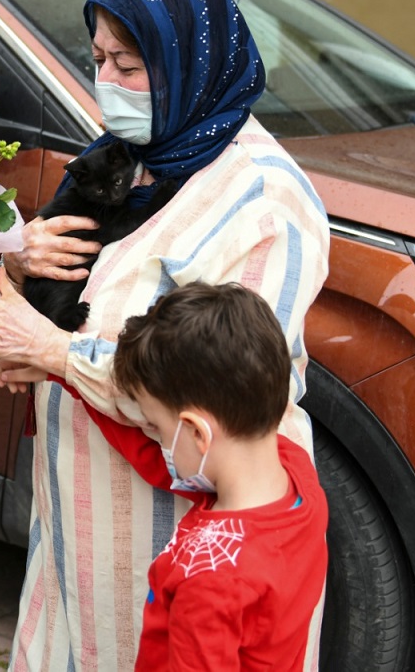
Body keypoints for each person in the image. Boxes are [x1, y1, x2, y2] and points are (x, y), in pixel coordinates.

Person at [0, 0, 331, 670]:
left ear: (190, 64)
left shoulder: (267, 206)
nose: (106, 82)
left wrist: (54, 354)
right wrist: (21, 275)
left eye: (130, 66)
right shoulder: (130, 159)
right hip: (79, 515)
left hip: (170, 528)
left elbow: (227, 392)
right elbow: (74, 290)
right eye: (99, 58)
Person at [73, 282, 328, 671]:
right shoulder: (295, 475)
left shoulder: (210, 580)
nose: (156, 440)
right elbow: (158, 463)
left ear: (197, 432)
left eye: (156, 428)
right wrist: (67, 378)